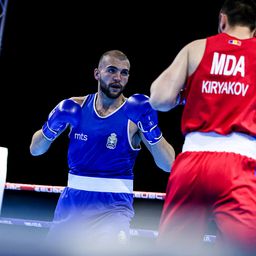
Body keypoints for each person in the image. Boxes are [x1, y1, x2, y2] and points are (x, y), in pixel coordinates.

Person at [29, 50, 175, 254]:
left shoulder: (135, 115)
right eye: (112, 70)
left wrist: (152, 130)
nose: (118, 78)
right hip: (72, 203)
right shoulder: (76, 106)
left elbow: (169, 164)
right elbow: (35, 150)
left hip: (113, 208)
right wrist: (50, 127)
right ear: (97, 73)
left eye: (124, 73)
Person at [149, 0, 256, 255]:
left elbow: (158, 99)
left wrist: (186, 94)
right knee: (245, 249)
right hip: (240, 167)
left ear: (222, 20)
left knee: (174, 250)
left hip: (192, 162)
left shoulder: (197, 48)